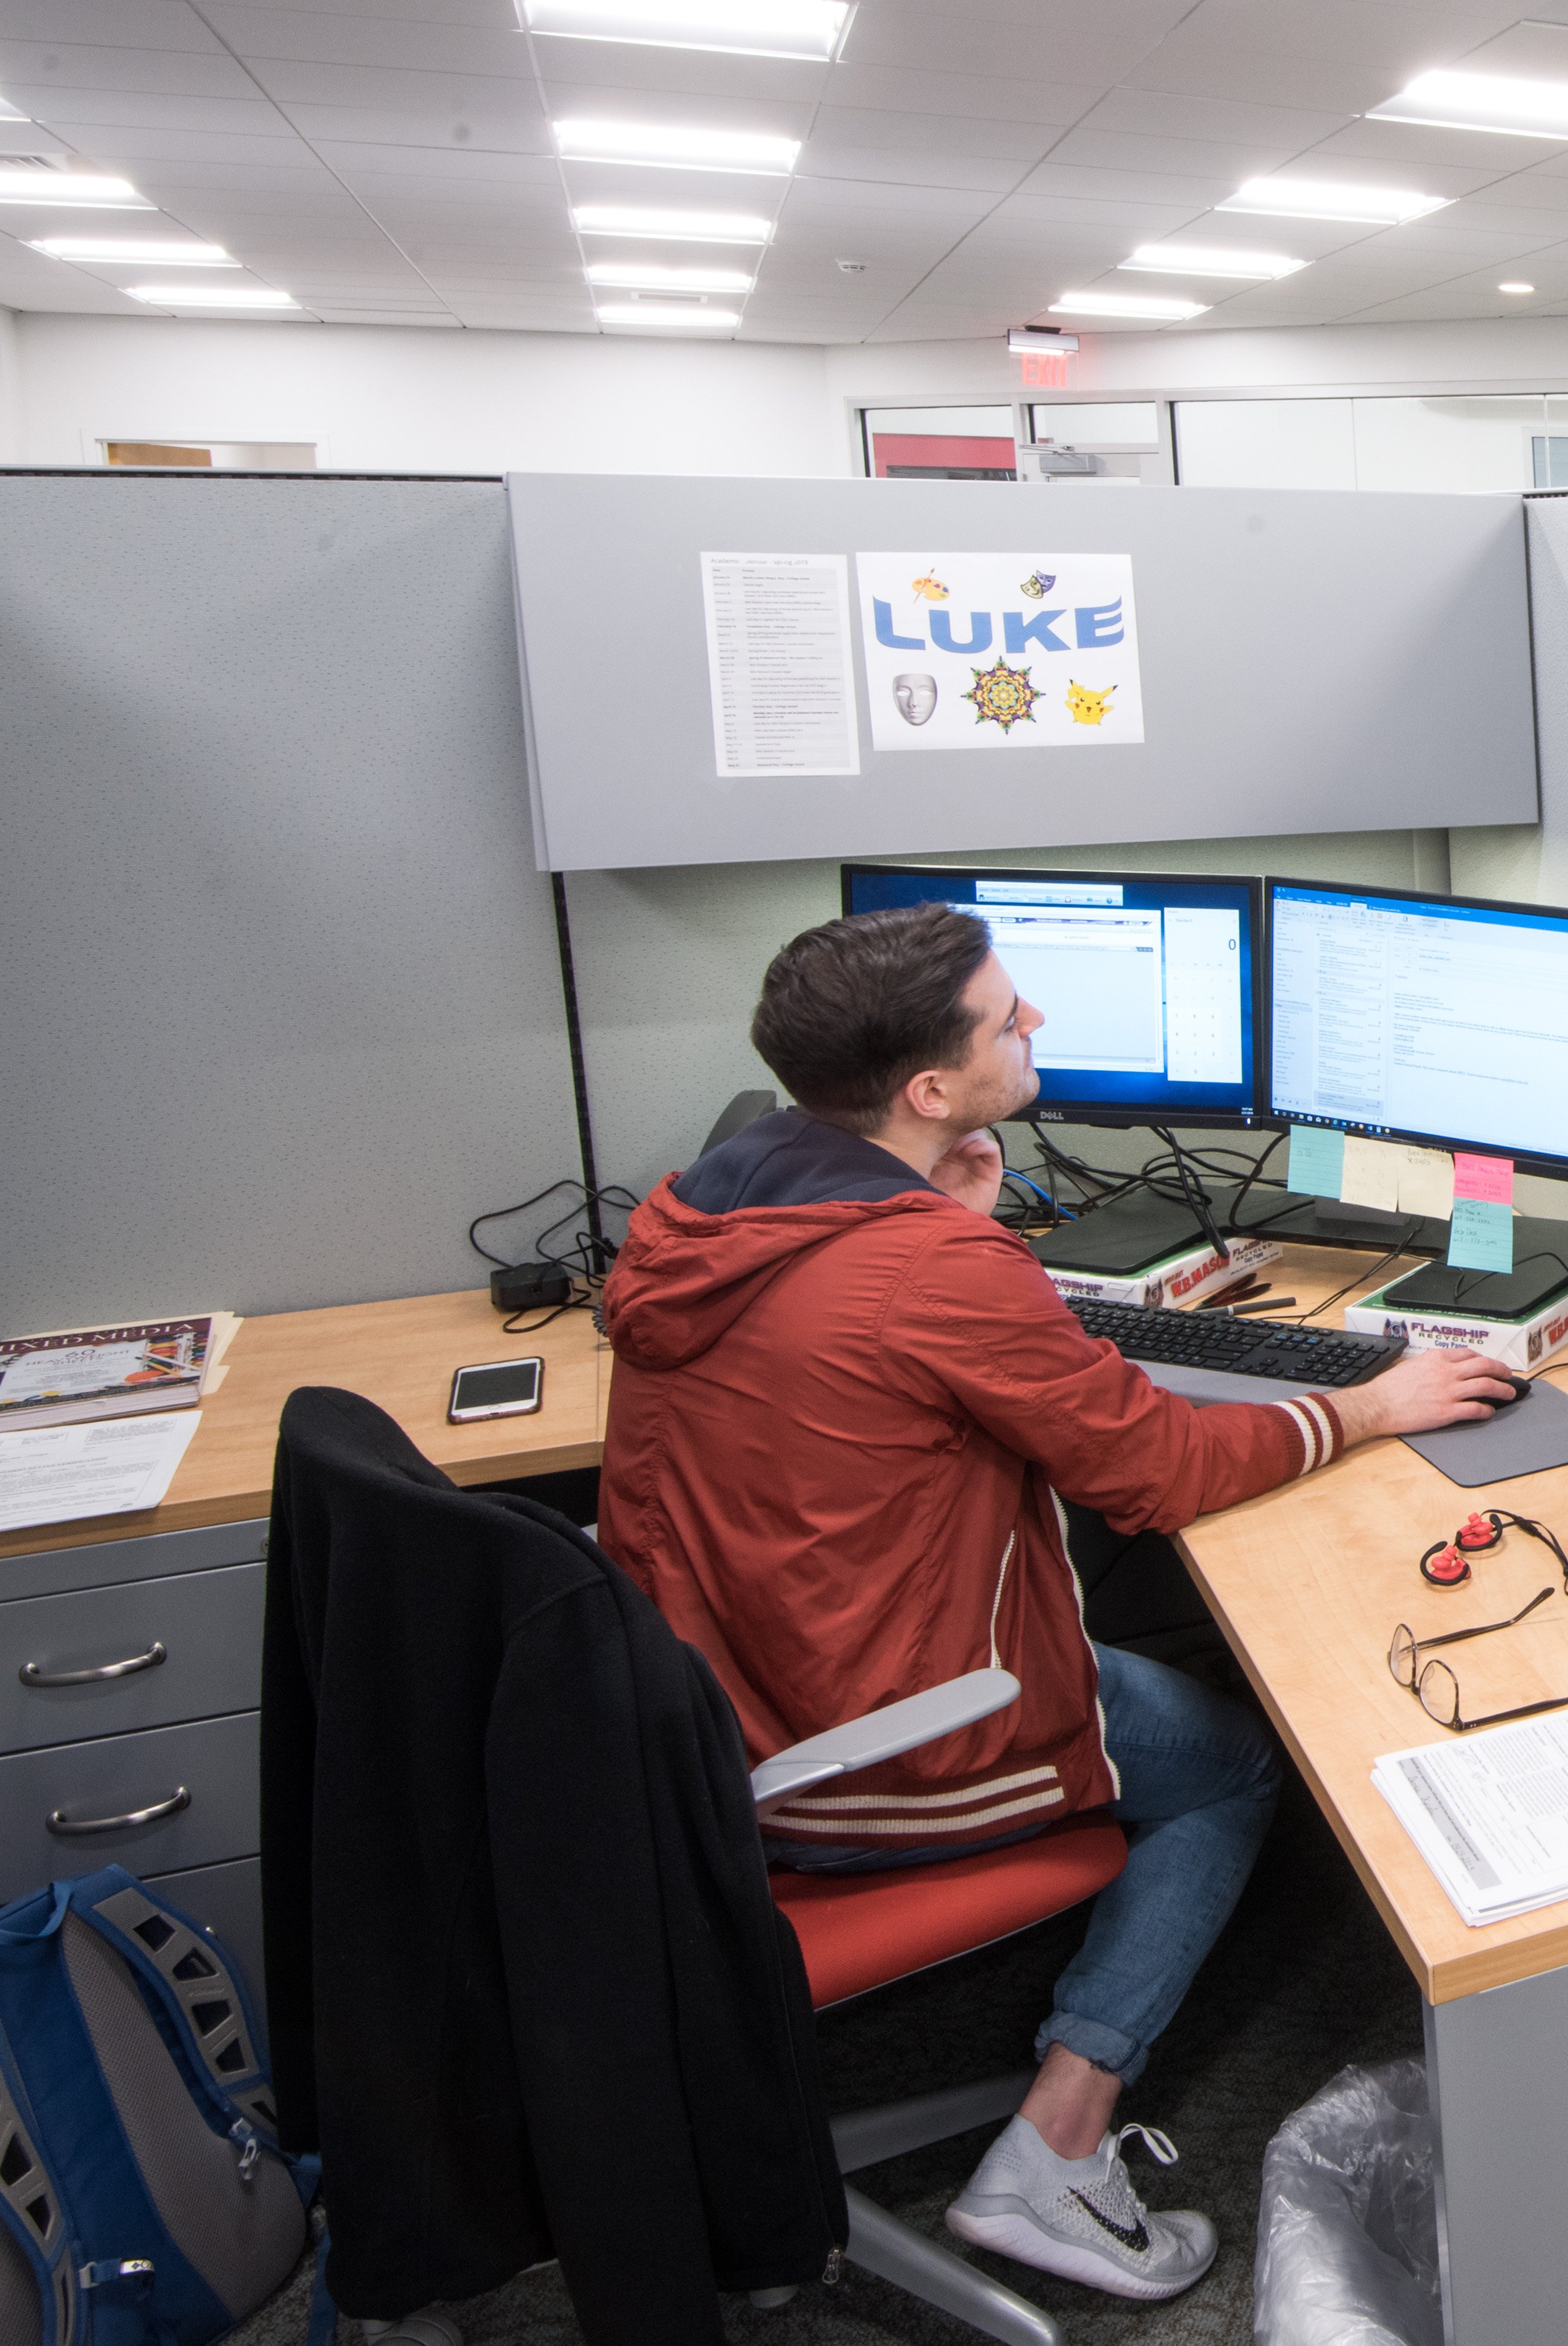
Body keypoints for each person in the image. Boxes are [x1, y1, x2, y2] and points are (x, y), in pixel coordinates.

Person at [598, 902, 1512, 2299]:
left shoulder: (711, 1205)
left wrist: (939, 1220)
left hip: (704, 1713)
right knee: (1237, 1761)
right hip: (866, 1750)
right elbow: (1154, 1471)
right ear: (927, 1091)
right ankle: (1058, 2139)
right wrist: (1369, 1404)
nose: (1037, 1027)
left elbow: (880, 1350)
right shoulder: (932, 1271)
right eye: (1008, 1018)